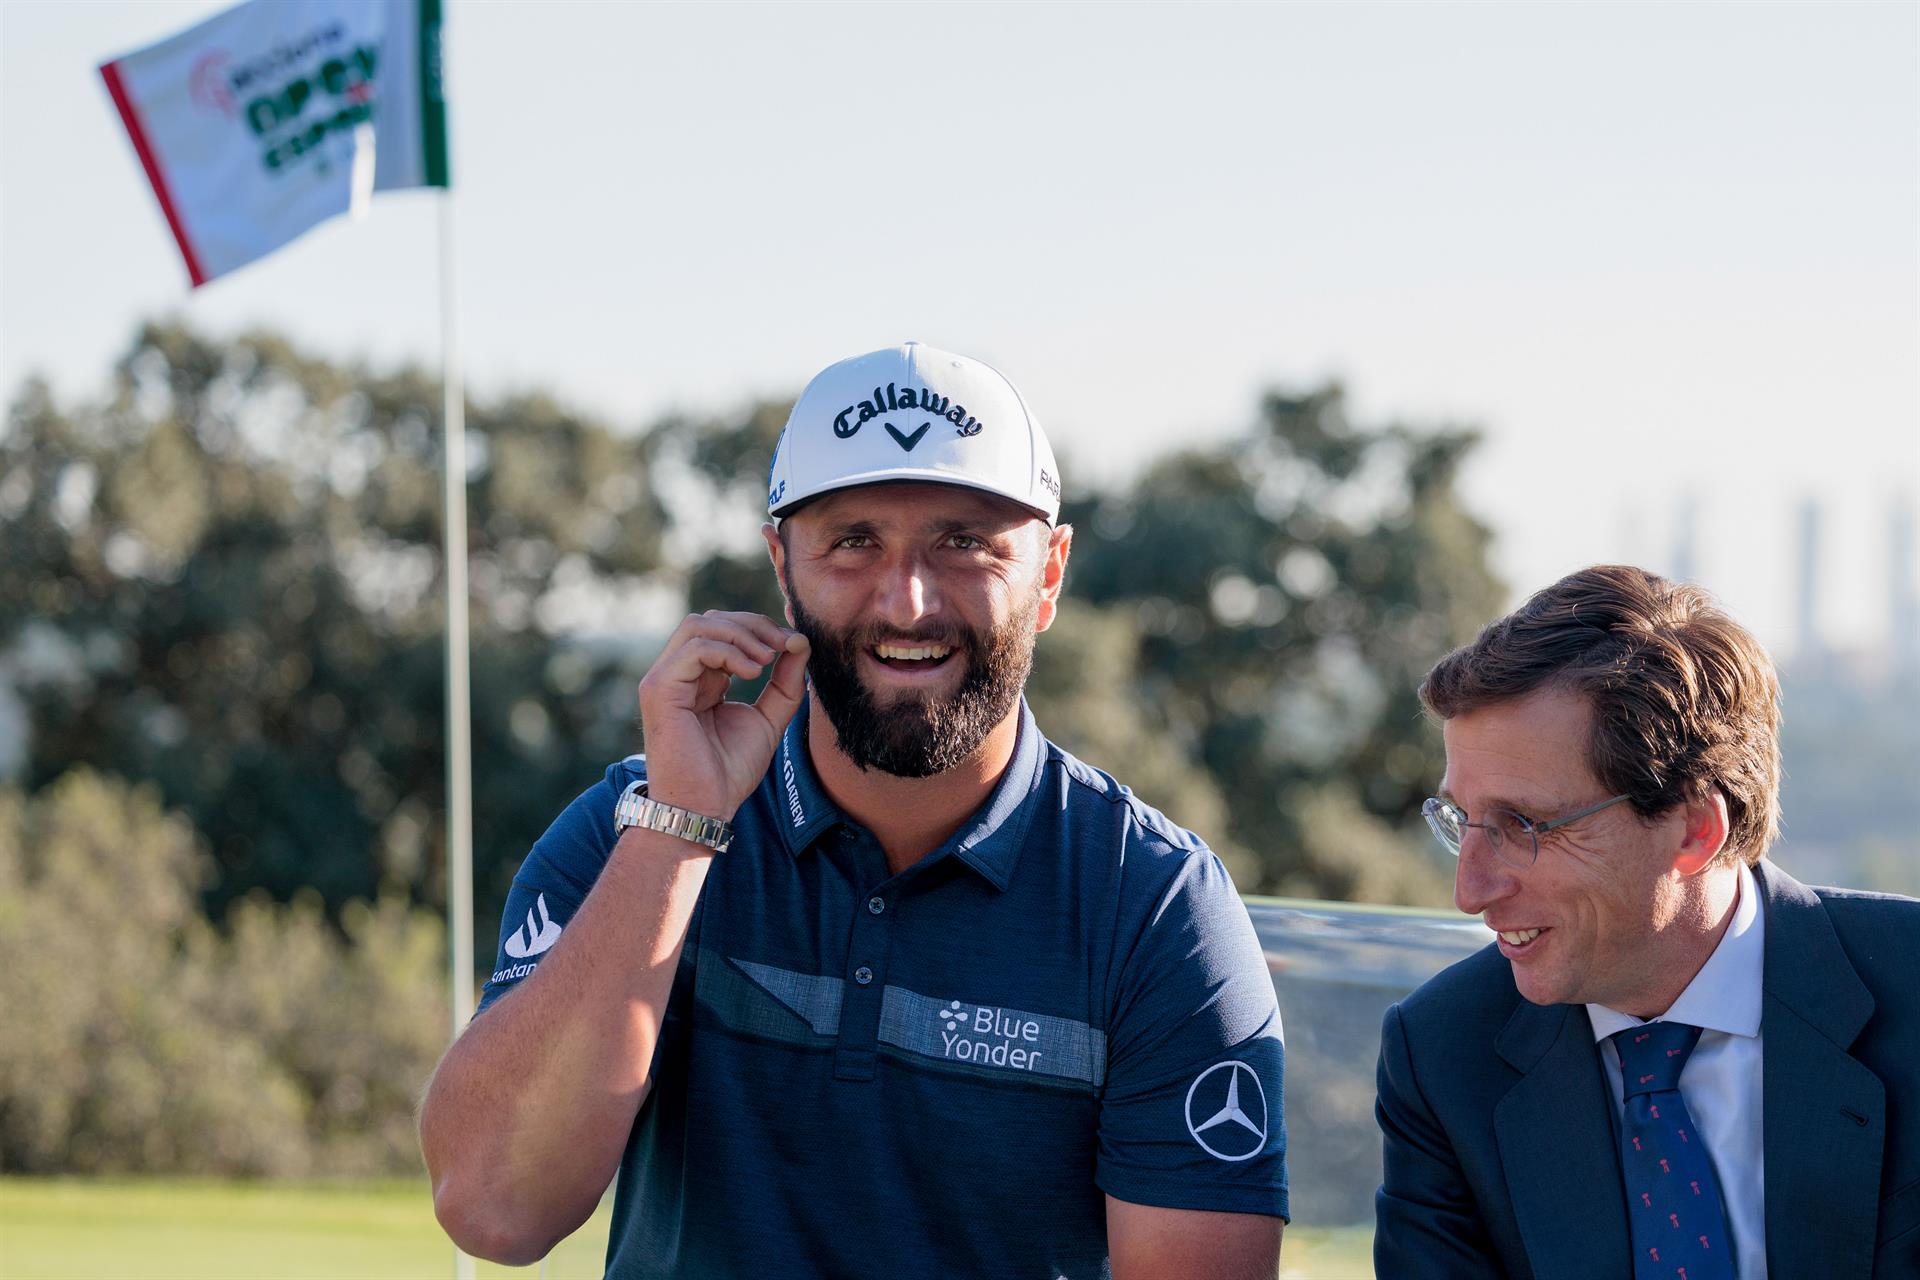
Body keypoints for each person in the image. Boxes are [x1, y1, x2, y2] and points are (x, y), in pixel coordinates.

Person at [420, 342, 1289, 1279]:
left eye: (964, 543)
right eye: (853, 540)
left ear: (1050, 573)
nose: (907, 604)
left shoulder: (1156, 904)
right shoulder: (634, 827)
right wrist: (680, 831)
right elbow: (494, 1210)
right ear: (781, 563)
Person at [1372, 565, 1920, 1278]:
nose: (1469, 891)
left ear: (1694, 829)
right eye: (1461, 820)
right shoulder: (1444, 1055)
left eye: (1525, 824)